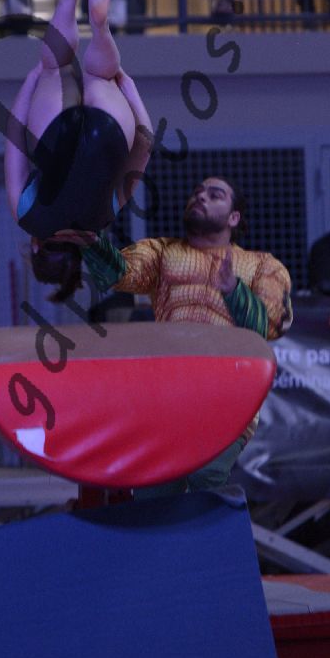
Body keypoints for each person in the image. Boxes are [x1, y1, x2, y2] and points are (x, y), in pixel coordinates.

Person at [61, 178, 293, 493]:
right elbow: (118, 274)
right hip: (168, 398)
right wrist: (91, 241)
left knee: (205, 476)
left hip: (229, 401)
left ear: (234, 217)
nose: (201, 197)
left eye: (215, 195)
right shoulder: (161, 252)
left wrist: (233, 291)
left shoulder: (262, 266)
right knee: (152, 489)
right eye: (197, 193)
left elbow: (269, 326)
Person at [4, 0, 153, 301]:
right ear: (36, 245)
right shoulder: (26, 216)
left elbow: (145, 143)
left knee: (101, 74)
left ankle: (101, 27)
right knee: (57, 65)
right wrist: (34, 78)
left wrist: (128, 88)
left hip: (109, 135)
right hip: (55, 135)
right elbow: (14, 140)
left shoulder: (103, 217)